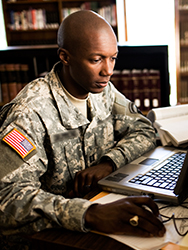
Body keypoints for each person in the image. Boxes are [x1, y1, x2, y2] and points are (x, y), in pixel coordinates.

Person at [0, 10, 166, 249]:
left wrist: (109, 163)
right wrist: (90, 214)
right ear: (65, 57)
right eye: (96, 59)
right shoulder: (29, 112)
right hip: (43, 240)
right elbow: (7, 198)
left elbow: (144, 130)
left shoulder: (102, 90)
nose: (108, 70)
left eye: (113, 58)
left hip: (91, 223)